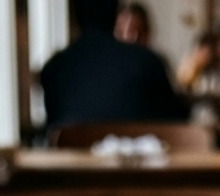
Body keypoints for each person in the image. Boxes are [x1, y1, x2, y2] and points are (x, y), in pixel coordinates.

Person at [40, 0, 186, 128]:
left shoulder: (53, 69)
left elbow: (54, 131)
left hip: (70, 158)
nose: (132, 37)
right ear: (116, 15)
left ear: (73, 15)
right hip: (135, 158)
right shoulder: (146, 62)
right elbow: (178, 124)